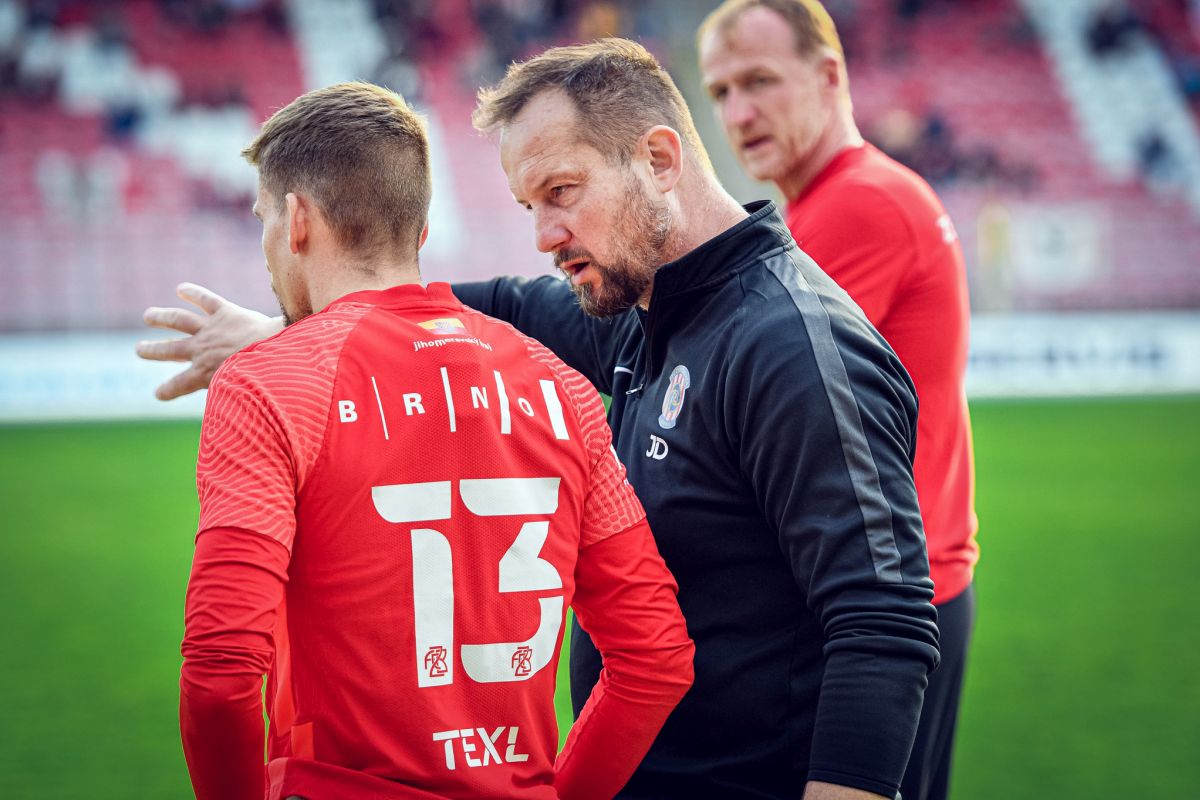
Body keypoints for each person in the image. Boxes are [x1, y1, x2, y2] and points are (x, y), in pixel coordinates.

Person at [139, 41, 938, 800]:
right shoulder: (642, 310)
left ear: (659, 161)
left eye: (561, 193)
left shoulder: (794, 345)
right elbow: (489, 307)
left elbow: (884, 626)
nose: (544, 237)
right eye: (529, 206)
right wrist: (296, 331)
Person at [177, 80, 694, 800]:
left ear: (296, 221)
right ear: (420, 232)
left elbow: (222, 673)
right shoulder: (563, 389)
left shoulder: (268, 382)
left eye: (264, 217)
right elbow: (655, 657)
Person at [697, 3, 979, 799]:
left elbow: (727, 385)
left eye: (759, 81)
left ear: (829, 76)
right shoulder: (861, 193)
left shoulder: (856, 205)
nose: (737, 113)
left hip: (879, 604)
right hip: (915, 586)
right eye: (720, 92)